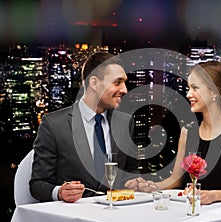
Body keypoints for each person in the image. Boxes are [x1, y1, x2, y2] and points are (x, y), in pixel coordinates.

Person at [126, 61, 221, 205]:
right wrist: (151, 187)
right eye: (189, 88)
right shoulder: (187, 132)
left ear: (214, 92)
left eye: (195, 88)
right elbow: (175, 180)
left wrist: (212, 196)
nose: (188, 94)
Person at [30, 51, 140, 203]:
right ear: (94, 83)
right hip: (74, 220)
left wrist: (135, 182)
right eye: (117, 82)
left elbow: (131, 171)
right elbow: (37, 184)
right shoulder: (53, 125)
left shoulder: (125, 122)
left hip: (117, 216)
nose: (124, 90)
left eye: (124, 82)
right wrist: (60, 192)